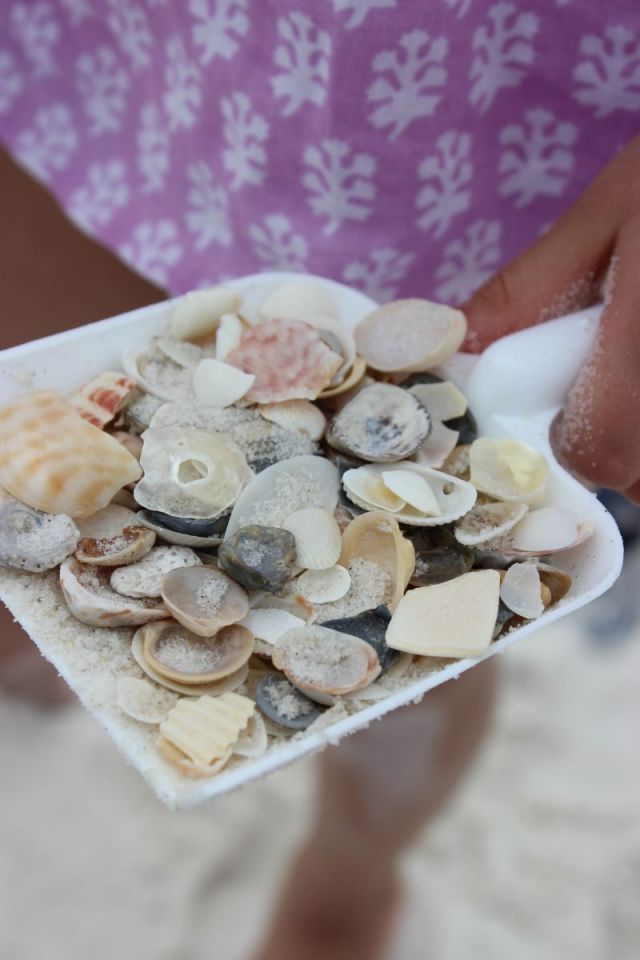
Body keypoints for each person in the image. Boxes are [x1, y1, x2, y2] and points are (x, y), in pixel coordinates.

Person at [0, 4, 638, 958]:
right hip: (117, 56)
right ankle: (48, 620)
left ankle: (347, 877)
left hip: (470, 127)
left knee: (411, 659)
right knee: (34, 360)